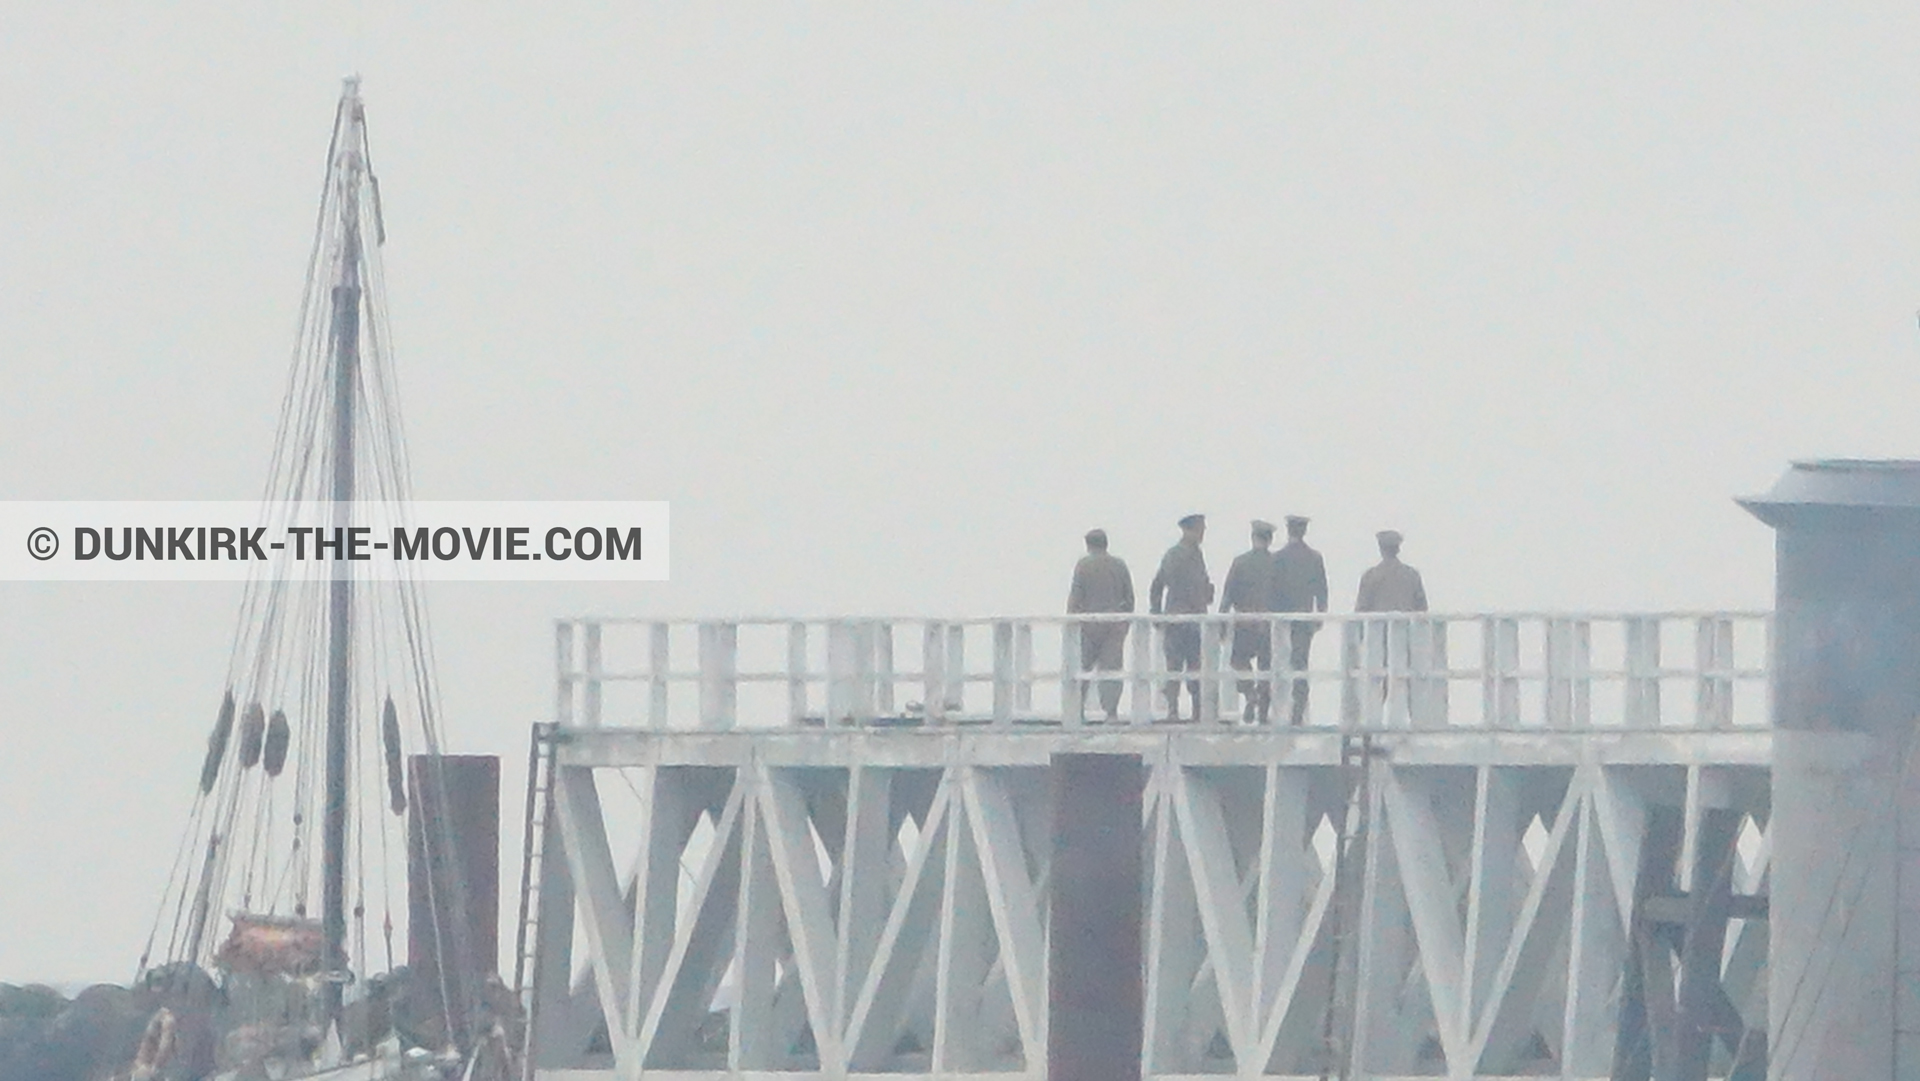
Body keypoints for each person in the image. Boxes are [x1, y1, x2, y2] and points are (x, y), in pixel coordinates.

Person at [1066, 528, 1135, 722]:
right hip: (1113, 627)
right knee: (1111, 671)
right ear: (1106, 543)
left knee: (1083, 670)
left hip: (1088, 627)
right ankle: (1111, 712)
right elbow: (1129, 598)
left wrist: (1072, 621)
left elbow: (1075, 597)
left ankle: (1077, 711)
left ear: (1088, 545)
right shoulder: (1119, 565)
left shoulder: (1083, 566)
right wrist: (1124, 624)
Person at [1150, 514, 1213, 721]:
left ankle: (1191, 711)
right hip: (1180, 620)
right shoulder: (1177, 555)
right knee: (1179, 667)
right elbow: (1159, 585)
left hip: (1188, 620)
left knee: (1190, 668)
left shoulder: (1195, 555)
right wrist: (1156, 613)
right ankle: (1176, 711)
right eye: (1200, 529)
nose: (1202, 533)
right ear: (1189, 530)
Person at [1220, 520, 1280, 723]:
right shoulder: (1276, 563)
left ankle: (1249, 693)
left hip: (1244, 623)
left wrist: (1221, 620)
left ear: (1253, 537)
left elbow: (1228, 594)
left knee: (1238, 661)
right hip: (1267, 625)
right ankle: (1263, 713)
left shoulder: (1240, 562)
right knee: (1266, 669)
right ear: (1270, 540)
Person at [1271, 514, 1329, 725]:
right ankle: (1299, 709)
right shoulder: (1314, 557)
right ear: (1304, 531)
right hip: (1305, 620)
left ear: (1288, 530)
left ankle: (1280, 709)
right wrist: (1319, 616)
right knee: (1300, 664)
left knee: (1280, 663)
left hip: (1282, 620)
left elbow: (1272, 590)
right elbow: (1322, 591)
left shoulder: (1278, 558)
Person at [1355, 530, 1427, 613]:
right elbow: (1422, 610)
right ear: (1398, 549)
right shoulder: (1412, 575)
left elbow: (1361, 610)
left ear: (1381, 549)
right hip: (1407, 625)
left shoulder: (1370, 576)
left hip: (1377, 625)